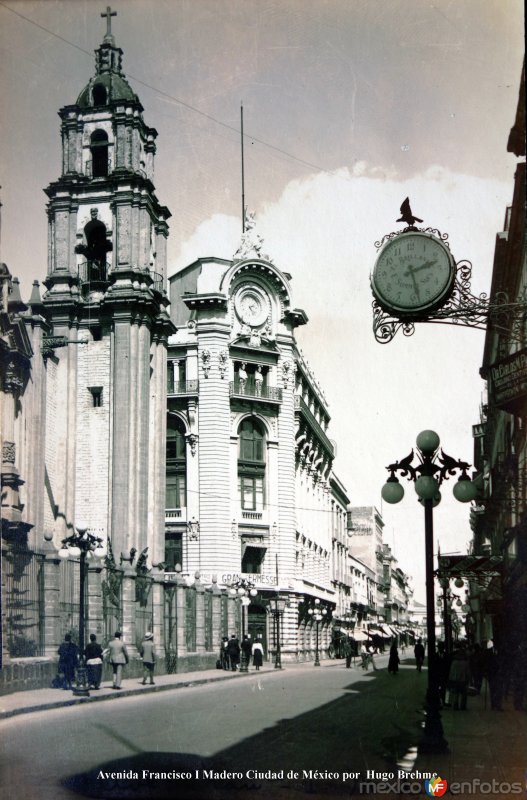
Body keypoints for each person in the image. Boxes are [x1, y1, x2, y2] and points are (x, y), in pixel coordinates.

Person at [448, 643, 470, 710]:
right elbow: (467, 672)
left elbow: (451, 671)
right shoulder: (465, 662)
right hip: (463, 680)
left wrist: (450, 679)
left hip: (455, 679)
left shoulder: (454, 662)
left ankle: (455, 705)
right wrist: (468, 679)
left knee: (456, 692)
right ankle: (462, 706)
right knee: (464, 693)